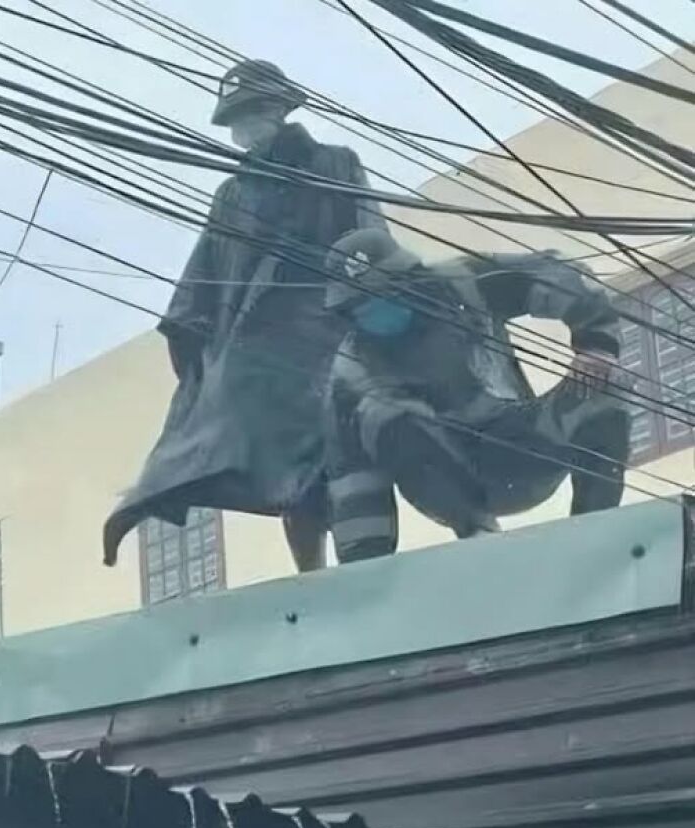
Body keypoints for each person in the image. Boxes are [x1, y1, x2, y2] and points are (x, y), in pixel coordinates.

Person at [103, 59, 385, 573]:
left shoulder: (337, 165)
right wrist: (197, 362)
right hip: (260, 359)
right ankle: (311, 575)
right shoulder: (232, 195)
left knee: (352, 457)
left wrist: (367, 311)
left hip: (331, 339)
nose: (242, 128)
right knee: (285, 476)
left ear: (277, 108)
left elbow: (372, 245)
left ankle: (366, 571)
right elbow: (200, 284)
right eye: (235, 118)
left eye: (249, 113)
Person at [322, 228, 631, 564]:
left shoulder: (460, 283)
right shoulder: (351, 374)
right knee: (385, 414)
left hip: (519, 443)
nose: (378, 313)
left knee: (606, 392)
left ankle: (595, 531)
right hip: (441, 474)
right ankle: (479, 538)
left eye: (386, 296)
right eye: (363, 308)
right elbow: (353, 481)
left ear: (410, 280)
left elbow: (558, 273)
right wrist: (365, 570)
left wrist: (596, 346)